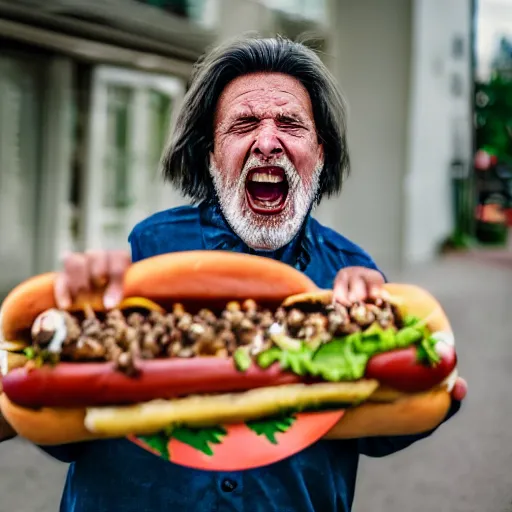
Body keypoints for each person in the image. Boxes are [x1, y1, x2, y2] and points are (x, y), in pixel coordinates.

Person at [0, 36, 466, 512]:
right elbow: (70, 436)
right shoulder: (146, 254)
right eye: (244, 124)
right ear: (211, 156)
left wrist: (420, 387)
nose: (267, 142)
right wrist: (72, 329)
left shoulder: (354, 275)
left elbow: (370, 434)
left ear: (320, 154)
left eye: (290, 124)